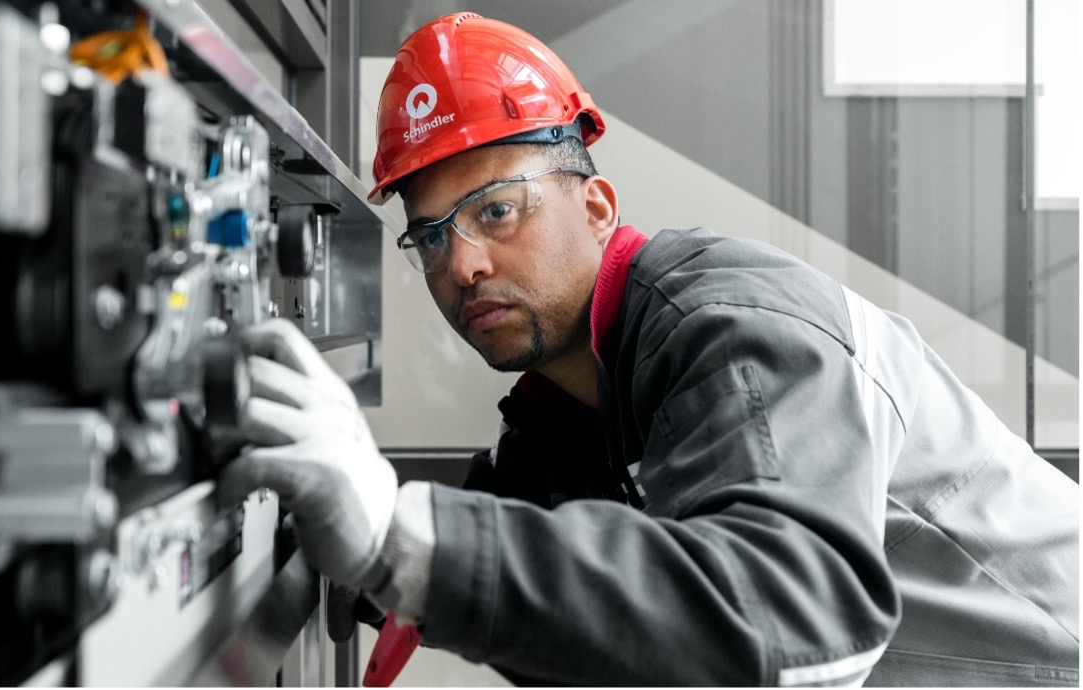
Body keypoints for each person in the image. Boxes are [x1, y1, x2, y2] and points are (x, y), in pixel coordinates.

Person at [218, 13, 1079, 686]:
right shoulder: (573, 411)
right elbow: (590, 615)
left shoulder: (731, 324)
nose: (464, 264)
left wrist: (392, 535)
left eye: (495, 210)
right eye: (432, 237)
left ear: (596, 208)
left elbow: (793, 624)